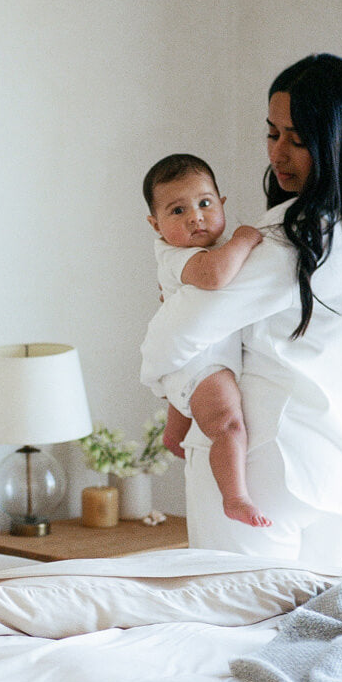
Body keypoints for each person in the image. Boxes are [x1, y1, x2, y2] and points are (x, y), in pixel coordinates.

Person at [140, 54, 342, 570]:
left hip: (262, 461)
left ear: (338, 142)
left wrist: (165, 367)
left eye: (298, 139)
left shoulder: (297, 235)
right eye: (272, 133)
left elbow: (174, 338)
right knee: (311, 619)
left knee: (233, 612)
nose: (277, 153)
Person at [143, 153, 270, 528]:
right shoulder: (176, 256)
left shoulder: (212, 245)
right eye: (178, 210)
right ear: (156, 224)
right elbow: (214, 276)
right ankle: (235, 497)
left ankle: (174, 434)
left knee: (192, 399)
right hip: (202, 361)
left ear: (221, 203)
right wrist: (244, 240)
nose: (195, 217)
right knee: (228, 425)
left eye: (204, 203)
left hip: (190, 358)